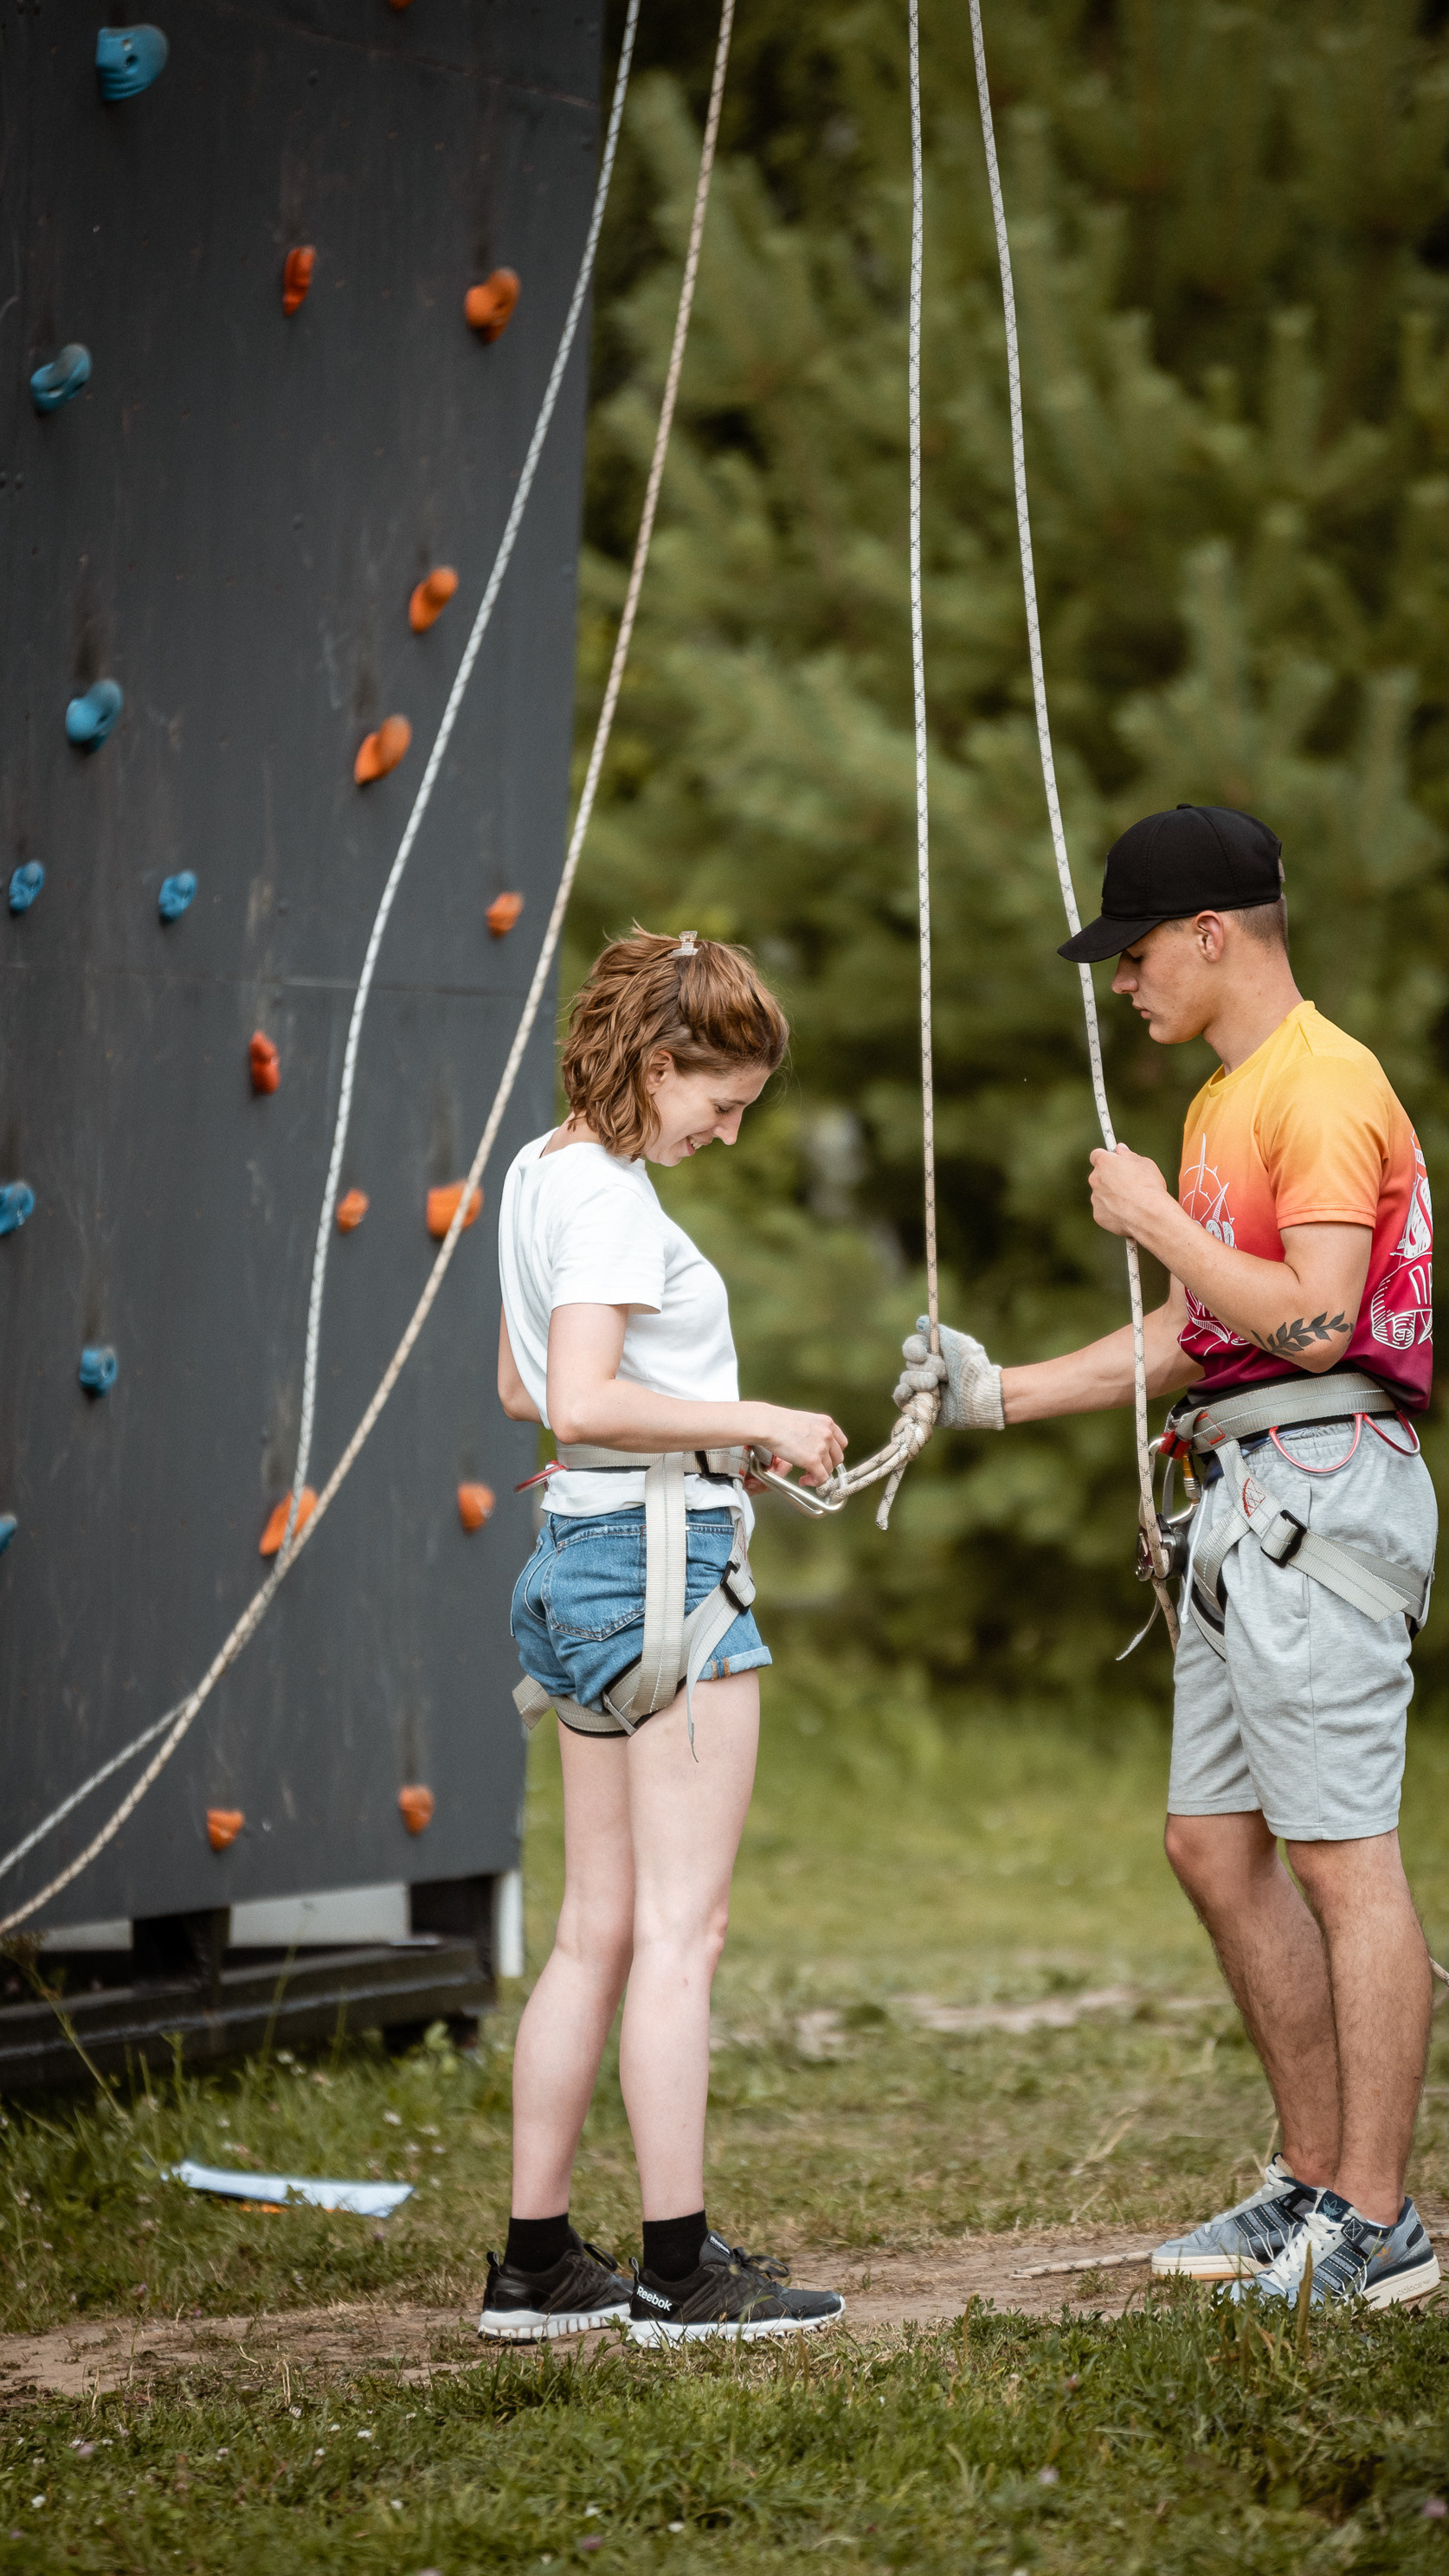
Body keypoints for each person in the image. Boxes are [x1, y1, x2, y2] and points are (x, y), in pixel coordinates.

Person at [895, 804, 1440, 2311]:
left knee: (1344, 1861)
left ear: (1212, 935)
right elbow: (1200, 1327)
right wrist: (996, 1394)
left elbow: (1316, 1318)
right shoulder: (1220, 1104)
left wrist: (1147, 1215)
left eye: (1135, 956)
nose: (1122, 986)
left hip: (1324, 1489)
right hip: (1245, 1488)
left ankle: (1382, 2226)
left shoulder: (1321, 1089)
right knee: (1212, 1845)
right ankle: (1315, 2182)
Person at [480, 926, 847, 2346]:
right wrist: (756, 1422)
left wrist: (690, 1436)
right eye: (724, 1100)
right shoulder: (619, 1202)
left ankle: (536, 2260)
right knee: (681, 1935)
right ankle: (680, 2270)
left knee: (597, 1929)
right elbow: (576, 1395)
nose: (731, 1132)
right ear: (659, 1060)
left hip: (580, 1556)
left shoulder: (539, 1170)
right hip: (659, 1568)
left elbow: (524, 1382)